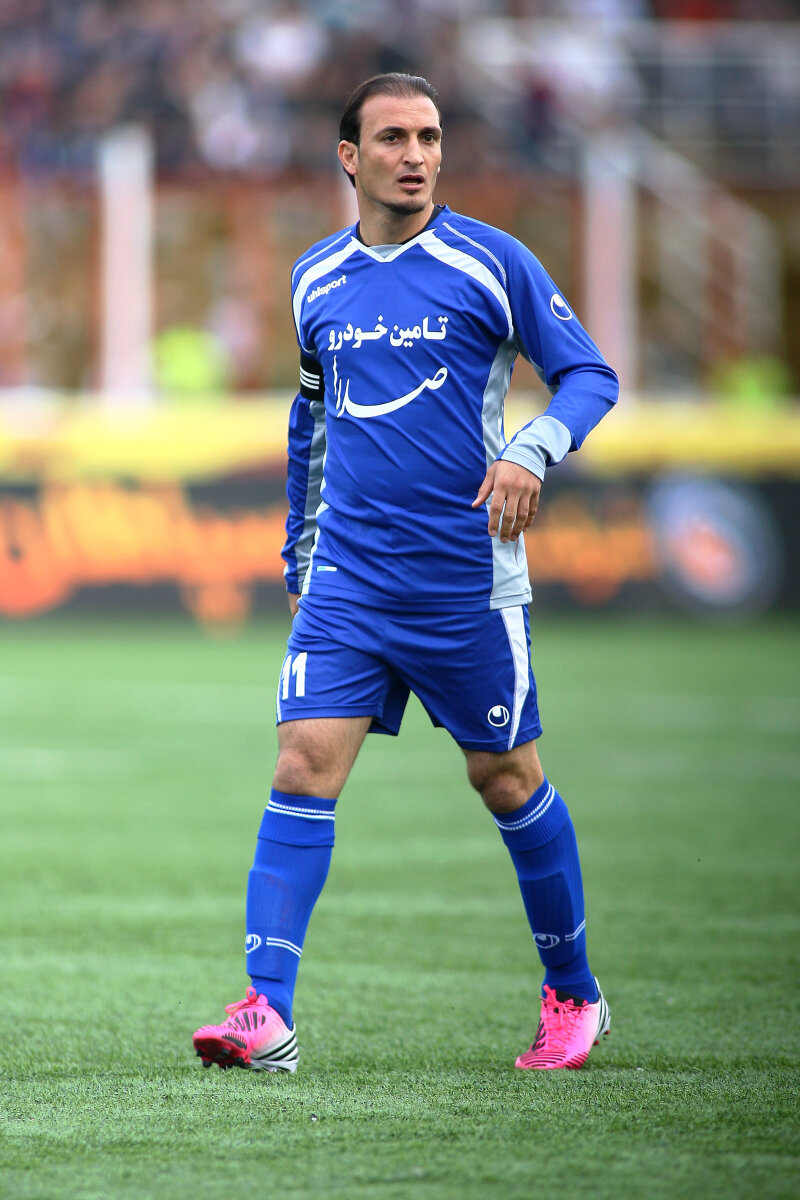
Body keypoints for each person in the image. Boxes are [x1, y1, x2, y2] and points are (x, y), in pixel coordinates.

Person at [193, 72, 619, 1075]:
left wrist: (530, 450)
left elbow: (588, 374)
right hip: (348, 578)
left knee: (504, 778)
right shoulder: (315, 278)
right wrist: (299, 554)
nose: (416, 155)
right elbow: (310, 420)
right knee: (302, 764)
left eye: (428, 136)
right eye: (392, 138)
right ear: (350, 157)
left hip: (464, 581)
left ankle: (573, 993)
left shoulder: (490, 262)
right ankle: (265, 1011)